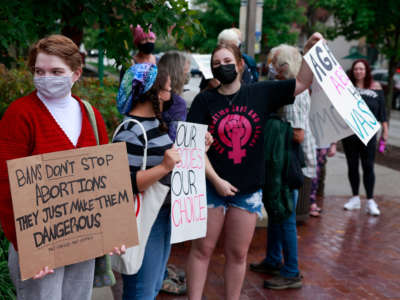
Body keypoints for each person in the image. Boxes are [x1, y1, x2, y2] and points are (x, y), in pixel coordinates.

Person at [186, 33, 323, 299]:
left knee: (237, 254)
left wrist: (308, 53)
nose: (221, 66)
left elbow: (303, 81)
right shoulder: (204, 101)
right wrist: (216, 180)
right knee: (202, 250)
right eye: (216, 63)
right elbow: (191, 149)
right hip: (211, 188)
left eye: (227, 60)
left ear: (239, 65)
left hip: (248, 191)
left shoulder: (261, 92)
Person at [0, 34, 124, 300]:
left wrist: (114, 230)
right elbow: (5, 185)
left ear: (76, 73)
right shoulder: (20, 115)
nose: (46, 78)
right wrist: (28, 248)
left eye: (56, 71)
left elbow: (105, 179)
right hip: (39, 246)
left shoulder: (90, 115)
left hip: (83, 241)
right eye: (39, 71)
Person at [250, 44, 316, 289]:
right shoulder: (286, 88)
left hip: (288, 163)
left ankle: (291, 270)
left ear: (284, 66)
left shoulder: (296, 93)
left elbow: (298, 134)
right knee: (277, 213)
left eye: (274, 62)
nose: (270, 67)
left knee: (285, 216)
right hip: (281, 161)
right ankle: (274, 259)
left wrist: (271, 127)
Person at [157, 51, 190, 295]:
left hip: (157, 175)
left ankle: (159, 275)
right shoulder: (177, 103)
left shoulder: (170, 101)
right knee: (162, 235)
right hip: (166, 178)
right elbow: (176, 140)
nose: (189, 73)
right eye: (186, 69)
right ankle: (158, 278)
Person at [342, 59, 388, 216]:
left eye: (361, 69)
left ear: (366, 71)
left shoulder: (376, 88)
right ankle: (355, 198)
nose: (358, 71)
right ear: (352, 71)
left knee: (368, 167)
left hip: (368, 135)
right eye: (356, 69)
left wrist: (385, 132)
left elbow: (382, 112)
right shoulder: (347, 88)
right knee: (352, 166)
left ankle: (370, 200)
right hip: (349, 134)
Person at [309, 143, 336, 217]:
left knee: (317, 174)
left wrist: (333, 144)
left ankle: (312, 202)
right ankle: (311, 203)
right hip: (311, 143)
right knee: (312, 173)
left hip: (323, 144)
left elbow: (332, 130)